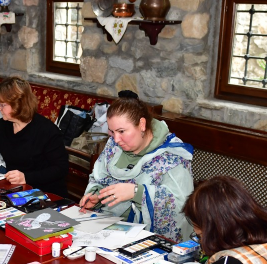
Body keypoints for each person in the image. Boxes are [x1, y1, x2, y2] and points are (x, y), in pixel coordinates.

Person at [78, 91, 194, 242]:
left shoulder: (171, 156)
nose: (116, 139)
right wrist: (98, 196)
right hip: (108, 229)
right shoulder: (114, 145)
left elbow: (182, 205)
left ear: (142, 125)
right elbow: (100, 177)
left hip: (147, 239)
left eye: (121, 131)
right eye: (112, 132)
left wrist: (137, 192)